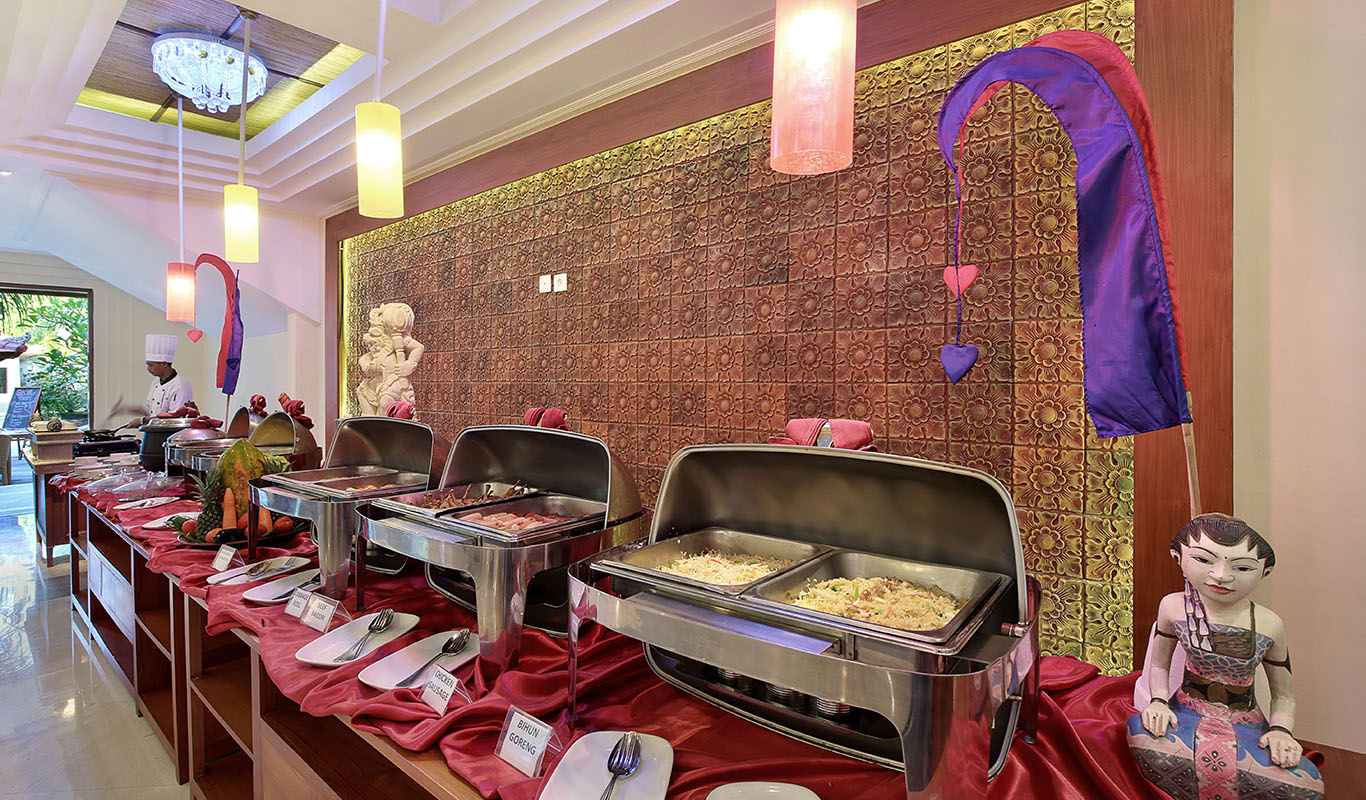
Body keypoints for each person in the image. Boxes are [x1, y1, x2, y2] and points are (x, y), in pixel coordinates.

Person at [1127, 513, 1324, 799]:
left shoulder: (1269, 624)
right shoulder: (1173, 608)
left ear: (1265, 571)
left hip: (1245, 725)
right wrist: (1159, 702)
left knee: (1305, 786)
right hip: (1186, 715)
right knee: (1142, 738)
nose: (1221, 575)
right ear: (1178, 557)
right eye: (1204, 560)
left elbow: (1284, 695)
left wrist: (1281, 730)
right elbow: (1159, 665)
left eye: (1242, 567)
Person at [143, 334, 194, 419]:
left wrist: (144, 421)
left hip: (169, 428)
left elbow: (175, 417)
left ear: (163, 364)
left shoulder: (180, 385)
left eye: (150, 365)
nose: (148, 369)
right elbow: (148, 409)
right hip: (153, 427)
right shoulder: (155, 383)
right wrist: (127, 409)